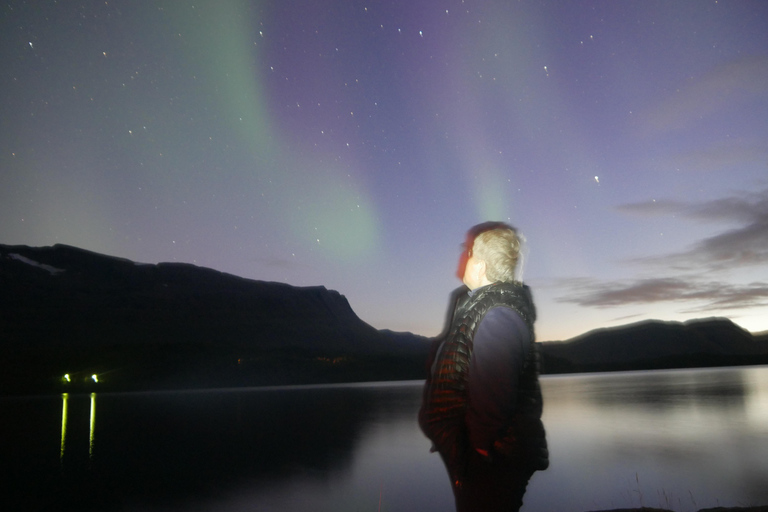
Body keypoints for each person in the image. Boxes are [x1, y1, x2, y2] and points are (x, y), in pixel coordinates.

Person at [419, 221, 549, 512]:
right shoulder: (484, 307)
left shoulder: (497, 316)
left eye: (468, 253)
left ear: (479, 265)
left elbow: (494, 398)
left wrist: (477, 451)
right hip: (487, 455)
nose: (463, 258)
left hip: (491, 460)